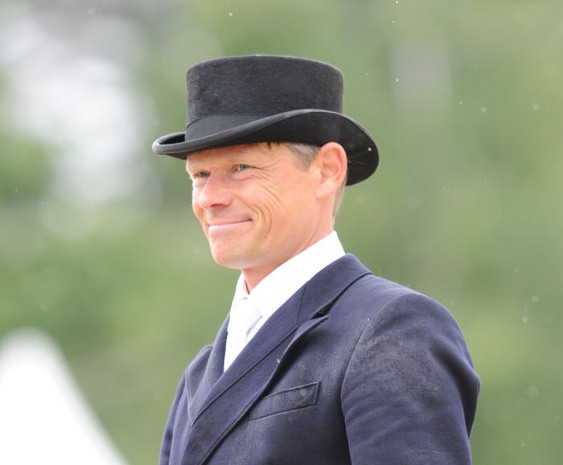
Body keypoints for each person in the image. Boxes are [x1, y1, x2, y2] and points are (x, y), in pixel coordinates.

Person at [152, 54, 479, 465]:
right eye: (200, 175)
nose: (210, 198)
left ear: (327, 170)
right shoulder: (199, 376)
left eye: (241, 167)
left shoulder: (394, 329)